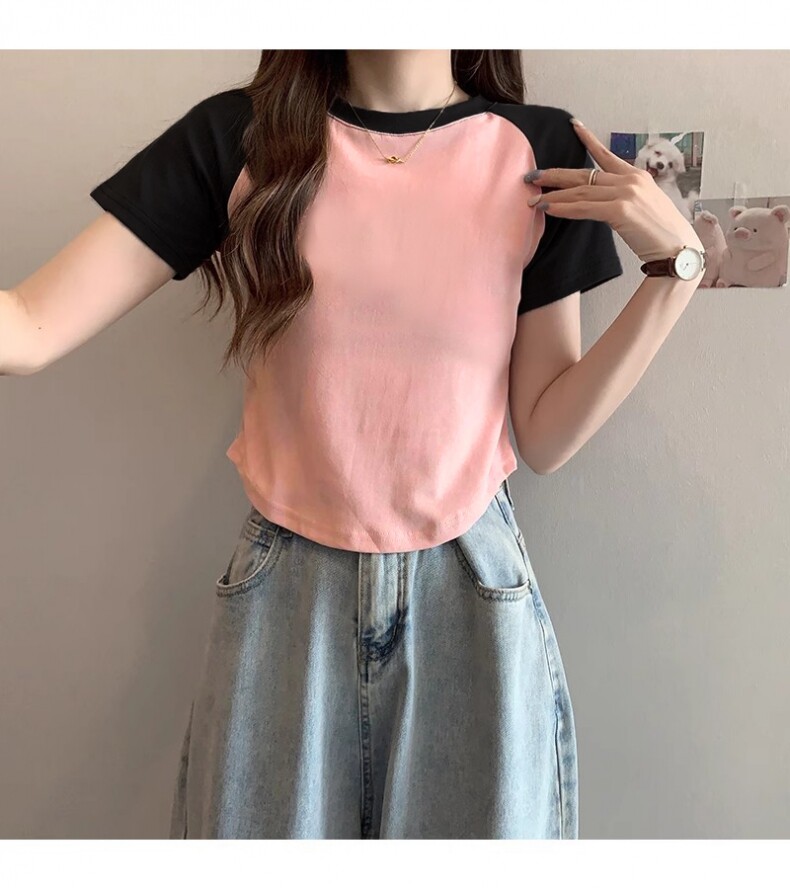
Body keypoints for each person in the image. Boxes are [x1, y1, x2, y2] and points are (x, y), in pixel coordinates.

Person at [0, 50, 706, 839]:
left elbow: (545, 432)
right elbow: (27, 326)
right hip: (287, 594)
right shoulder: (244, 137)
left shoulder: (539, 152)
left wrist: (675, 272)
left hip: (468, 588)